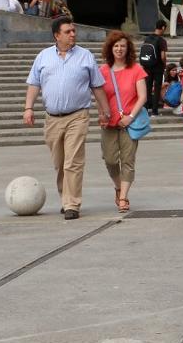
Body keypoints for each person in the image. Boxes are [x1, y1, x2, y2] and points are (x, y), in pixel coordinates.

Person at [23, 16, 111, 219]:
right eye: (68, 32)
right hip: (52, 118)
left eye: (73, 31)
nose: (72, 34)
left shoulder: (85, 56)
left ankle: (72, 204)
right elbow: (34, 84)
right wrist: (28, 108)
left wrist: (104, 111)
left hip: (77, 116)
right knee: (60, 163)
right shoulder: (43, 57)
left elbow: (97, 86)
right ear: (57, 35)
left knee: (73, 161)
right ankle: (66, 197)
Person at [99, 31, 148, 213]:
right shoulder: (103, 71)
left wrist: (131, 117)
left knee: (128, 160)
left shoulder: (136, 69)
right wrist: (102, 114)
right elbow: (99, 96)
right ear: (110, 48)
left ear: (128, 49)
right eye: (116, 46)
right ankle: (118, 186)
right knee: (110, 159)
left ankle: (123, 197)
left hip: (129, 123)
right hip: (109, 123)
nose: (119, 49)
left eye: (123, 46)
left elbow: (142, 97)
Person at [140, 19, 168, 114]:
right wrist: (164, 64)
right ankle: (155, 111)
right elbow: (163, 56)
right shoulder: (162, 40)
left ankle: (145, 109)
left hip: (147, 66)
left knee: (147, 88)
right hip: (158, 67)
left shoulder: (147, 38)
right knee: (157, 88)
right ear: (163, 27)